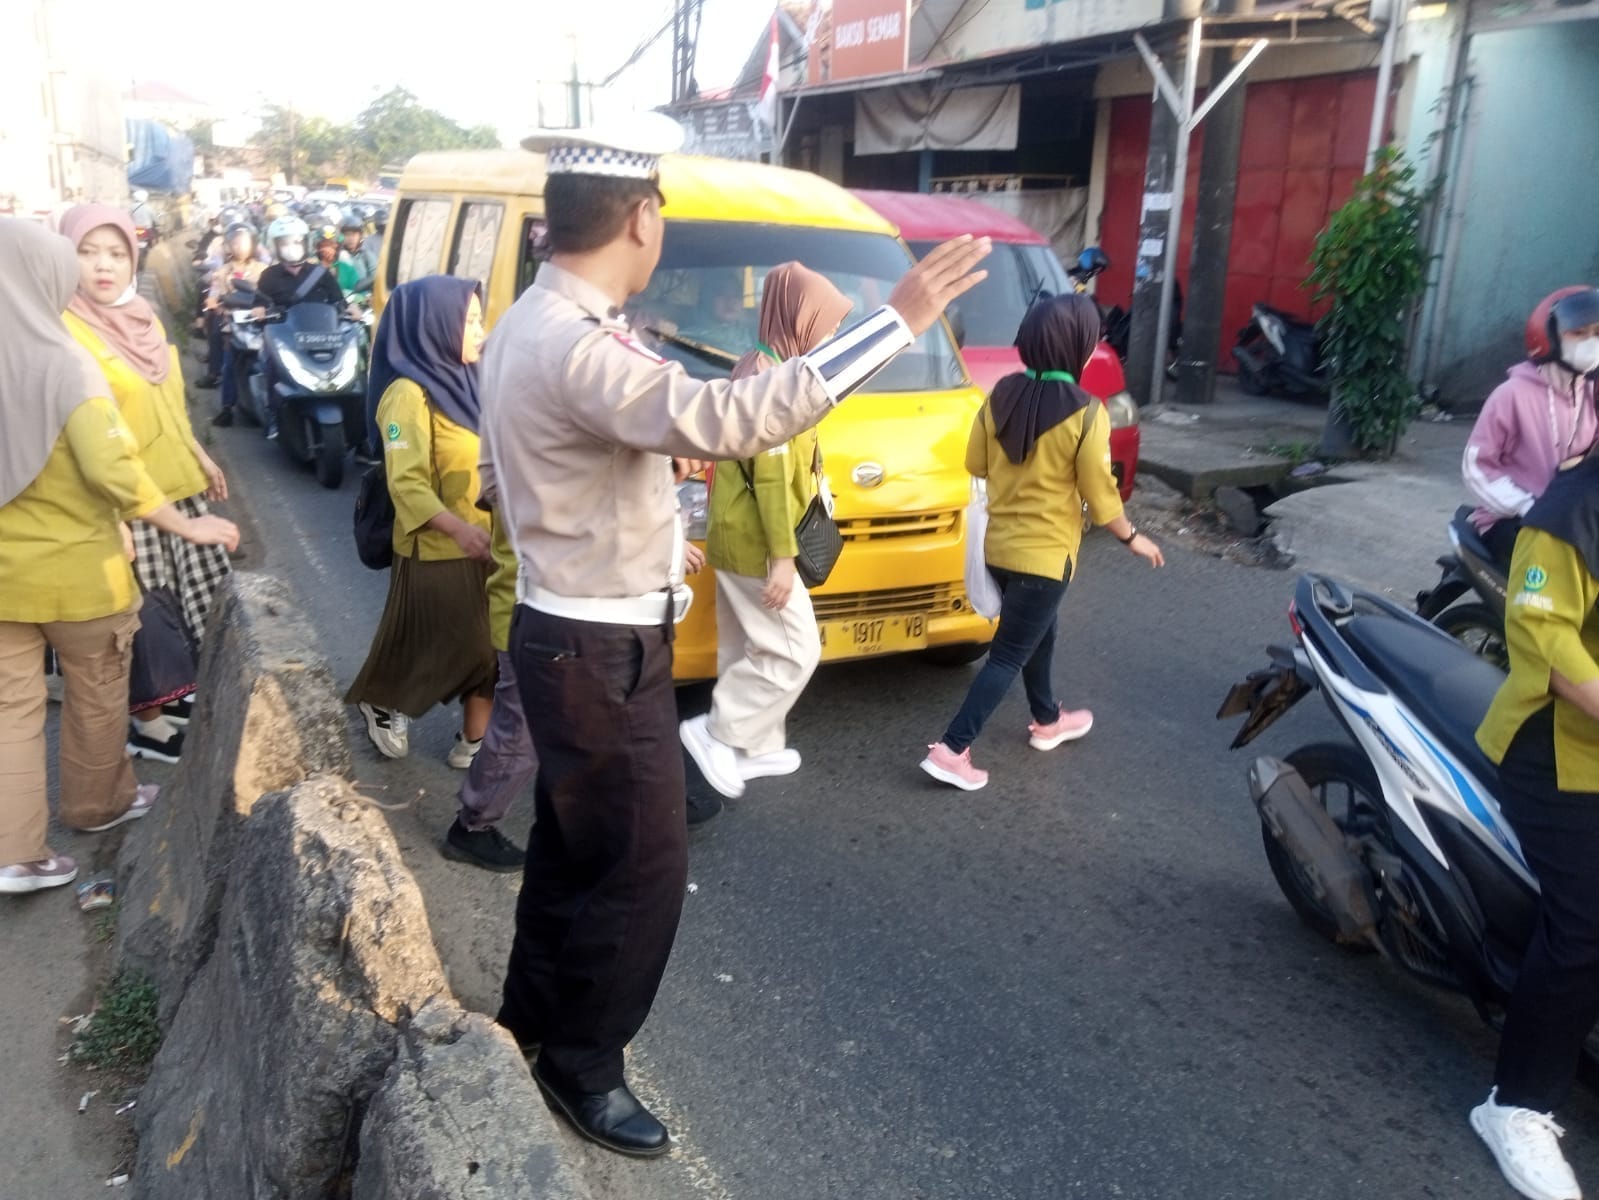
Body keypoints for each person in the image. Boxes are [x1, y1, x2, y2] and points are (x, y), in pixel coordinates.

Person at [482, 112, 989, 1158]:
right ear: (639, 218)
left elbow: (525, 468)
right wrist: (894, 320)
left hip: (566, 628)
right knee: (640, 868)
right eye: (660, 212)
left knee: (575, 851)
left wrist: (620, 489)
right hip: (597, 646)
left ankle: (528, 1023)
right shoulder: (576, 344)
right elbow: (732, 419)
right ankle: (582, 1065)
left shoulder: (530, 322)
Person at [0, 220, 239, 895]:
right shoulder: (65, 359)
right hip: (81, 576)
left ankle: (16, 855)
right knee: (99, 694)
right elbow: (112, 469)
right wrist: (184, 524)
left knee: (11, 714)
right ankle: (96, 805)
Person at [921, 294, 1164, 791]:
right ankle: (951, 749)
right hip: (1046, 558)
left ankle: (1048, 719)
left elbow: (975, 463)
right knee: (1007, 656)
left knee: (1039, 631)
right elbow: (1101, 494)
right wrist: (1132, 538)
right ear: (1077, 346)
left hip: (998, 550)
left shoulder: (999, 395)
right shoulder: (1087, 413)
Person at [59, 204, 232, 764]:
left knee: (189, 606)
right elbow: (78, 439)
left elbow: (167, 402)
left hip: (178, 487)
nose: (103, 266)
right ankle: (148, 726)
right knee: (144, 617)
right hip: (128, 501)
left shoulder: (143, 318)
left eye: (116, 253)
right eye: (87, 252)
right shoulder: (66, 331)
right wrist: (110, 517)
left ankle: (172, 698)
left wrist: (200, 455)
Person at [1471, 450, 1599, 1200]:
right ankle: (1516, 1105)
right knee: (1586, 927)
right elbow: (1546, 641)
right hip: (1555, 752)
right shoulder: (1571, 514)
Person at [679, 263, 851, 799]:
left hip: (736, 534)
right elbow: (772, 480)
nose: (832, 334)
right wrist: (782, 556)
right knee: (797, 651)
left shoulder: (762, 364)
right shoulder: (770, 380)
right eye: (826, 323)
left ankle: (754, 747)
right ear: (799, 318)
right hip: (758, 542)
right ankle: (716, 733)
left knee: (745, 647)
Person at [345, 276, 496, 769]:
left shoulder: (475, 383)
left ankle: (475, 740)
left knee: (493, 647)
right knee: (466, 645)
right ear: (435, 326)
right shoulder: (406, 396)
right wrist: (459, 529)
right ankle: (383, 699)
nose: (480, 330)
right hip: (437, 548)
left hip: (490, 542)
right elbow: (405, 482)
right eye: (469, 321)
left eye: (479, 319)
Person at [1464, 286, 1599, 566]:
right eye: (1578, 332)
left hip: (1568, 522)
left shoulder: (1591, 394)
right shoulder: (1512, 395)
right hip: (1512, 519)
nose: (1591, 342)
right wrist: (1525, 505)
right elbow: (1476, 467)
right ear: (1548, 336)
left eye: (1598, 333)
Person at [440, 469, 532, 873]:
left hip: (546, 606)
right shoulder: (529, 443)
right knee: (521, 729)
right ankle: (472, 826)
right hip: (530, 608)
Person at [253, 215, 354, 438]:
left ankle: (360, 427)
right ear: (275, 246)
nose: (291, 247)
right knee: (270, 366)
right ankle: (274, 416)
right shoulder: (268, 276)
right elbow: (258, 302)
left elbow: (339, 302)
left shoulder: (321, 273)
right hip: (285, 338)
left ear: (306, 243)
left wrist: (352, 309)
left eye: (297, 241)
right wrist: (258, 310)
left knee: (354, 366)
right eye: (285, 243)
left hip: (323, 335)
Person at [208, 223, 267, 428]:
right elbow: (213, 294)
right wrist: (214, 303)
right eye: (235, 243)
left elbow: (270, 294)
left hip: (259, 324)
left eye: (244, 243)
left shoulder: (263, 270)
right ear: (228, 245)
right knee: (230, 364)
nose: (239, 247)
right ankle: (227, 408)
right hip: (234, 325)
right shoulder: (223, 272)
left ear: (253, 244)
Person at [340, 213, 380, 293]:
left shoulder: (367, 256)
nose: (350, 238)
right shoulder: (336, 257)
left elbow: (376, 277)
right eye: (347, 235)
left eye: (354, 234)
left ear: (360, 236)